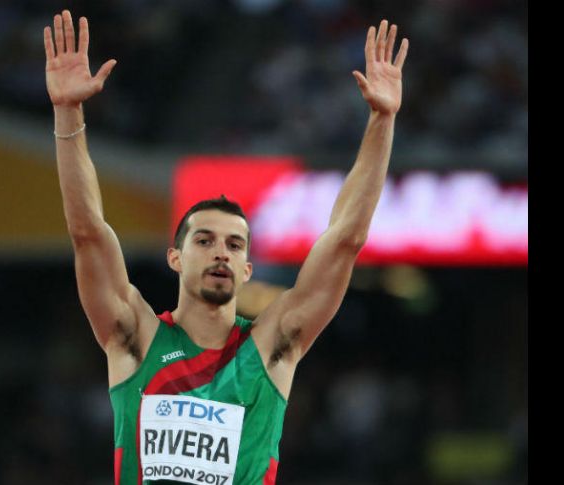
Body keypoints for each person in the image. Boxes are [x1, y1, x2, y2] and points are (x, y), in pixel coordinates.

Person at [43, 10, 408, 484]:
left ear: (248, 268)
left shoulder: (273, 345)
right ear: (175, 258)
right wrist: (68, 110)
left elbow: (345, 240)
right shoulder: (134, 337)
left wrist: (383, 118)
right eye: (205, 239)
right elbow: (88, 233)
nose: (222, 252)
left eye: (235, 245)